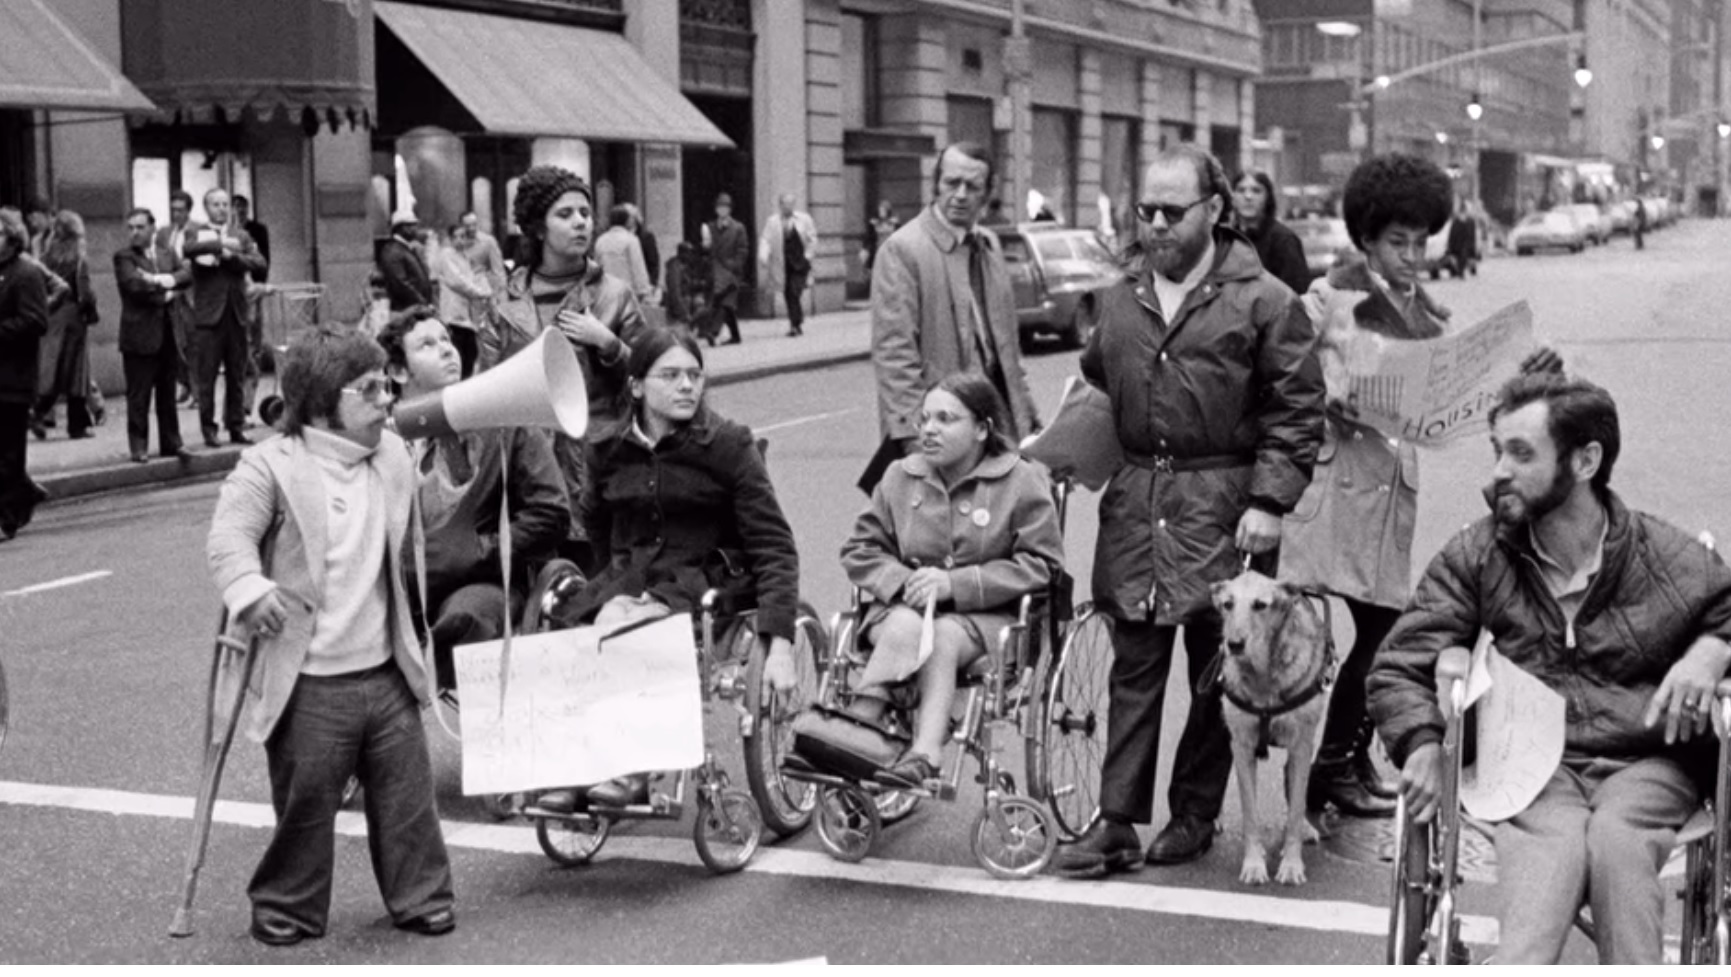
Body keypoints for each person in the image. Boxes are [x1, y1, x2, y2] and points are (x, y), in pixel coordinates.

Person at [1368, 371, 1731, 964]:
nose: (1499, 471)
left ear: (1585, 460)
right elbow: (1400, 663)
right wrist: (1421, 742)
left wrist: (1712, 650)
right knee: (1551, 856)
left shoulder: (1659, 554)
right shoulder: (1482, 553)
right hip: (1529, 765)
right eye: (1497, 451)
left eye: (1520, 453)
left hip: (1643, 761)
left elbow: (1724, 604)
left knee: (1618, 843)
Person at [1051, 143, 1325, 878]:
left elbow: (1296, 409)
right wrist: (1060, 451)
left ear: (1214, 210)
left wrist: (1269, 499)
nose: (1156, 224)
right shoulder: (1118, 297)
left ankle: (1195, 813)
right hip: (1138, 503)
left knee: (1218, 666)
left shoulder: (1265, 299)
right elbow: (1095, 386)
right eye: (1145, 210)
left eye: (1173, 211)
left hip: (1224, 505)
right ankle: (1115, 820)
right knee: (1133, 664)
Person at [206, 325, 456, 946]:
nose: (385, 397)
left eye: (385, 383)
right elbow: (229, 537)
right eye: (368, 388)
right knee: (305, 804)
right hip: (312, 679)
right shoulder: (270, 464)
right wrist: (250, 590)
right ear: (322, 403)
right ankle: (286, 906)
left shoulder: (391, 453)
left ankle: (422, 897)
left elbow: (436, 515)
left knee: (408, 800)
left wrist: (458, 460)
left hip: (384, 667)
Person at [537, 328, 799, 810]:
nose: (687, 386)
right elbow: (597, 519)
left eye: (695, 375)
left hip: (703, 582)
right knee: (571, 630)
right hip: (634, 577)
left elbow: (773, 543)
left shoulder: (727, 445)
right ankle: (574, 766)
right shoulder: (609, 450)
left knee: (618, 626)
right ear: (636, 386)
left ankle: (631, 769)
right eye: (671, 375)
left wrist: (779, 637)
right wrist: (611, 573)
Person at [1276, 153, 1460, 818]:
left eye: (1420, 242)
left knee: (1383, 631)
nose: (1412, 255)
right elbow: (1313, 387)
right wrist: (1361, 394)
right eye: (1396, 242)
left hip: (1385, 491)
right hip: (1336, 491)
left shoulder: (1418, 307)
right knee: (1387, 633)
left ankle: (1345, 760)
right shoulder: (1337, 300)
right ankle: (1330, 765)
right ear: (1366, 240)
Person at [838, 372, 1063, 787]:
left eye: (945, 419)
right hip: (902, 610)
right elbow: (859, 550)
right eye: (924, 419)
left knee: (940, 633)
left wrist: (955, 584)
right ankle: (864, 725)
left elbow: (1042, 565)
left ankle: (919, 749)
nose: (929, 429)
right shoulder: (898, 477)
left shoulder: (1020, 480)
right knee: (910, 621)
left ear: (982, 428)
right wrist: (905, 581)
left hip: (987, 618)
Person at [377, 307, 567, 691]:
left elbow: (551, 511)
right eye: (427, 345)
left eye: (447, 339)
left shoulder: (505, 420)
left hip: (484, 581)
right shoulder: (380, 440)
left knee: (469, 616)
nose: (448, 350)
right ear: (398, 372)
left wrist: (483, 549)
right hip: (399, 589)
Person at [478, 165, 647, 568]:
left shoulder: (615, 296)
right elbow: (484, 391)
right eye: (565, 214)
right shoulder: (503, 303)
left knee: (599, 588)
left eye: (585, 213)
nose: (580, 223)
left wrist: (608, 344)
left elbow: (651, 376)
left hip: (600, 469)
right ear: (538, 227)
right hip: (529, 482)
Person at [869, 142, 1039, 469]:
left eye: (972, 187)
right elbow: (895, 356)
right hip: (938, 434)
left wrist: (1029, 421)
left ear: (987, 194)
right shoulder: (902, 250)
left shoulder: (989, 246)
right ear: (935, 186)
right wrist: (915, 442)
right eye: (951, 183)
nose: (960, 195)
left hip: (993, 426)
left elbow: (1007, 352)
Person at [184, 188, 267, 447]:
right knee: (207, 376)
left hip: (236, 314)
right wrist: (220, 245)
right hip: (209, 316)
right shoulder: (196, 232)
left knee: (237, 373)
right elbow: (189, 249)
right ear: (206, 208)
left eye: (224, 204)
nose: (221, 209)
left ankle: (236, 425)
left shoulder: (240, 235)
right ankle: (209, 429)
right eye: (215, 204)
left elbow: (259, 263)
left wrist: (232, 257)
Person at [114, 207, 191, 463]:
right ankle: (139, 446)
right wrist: (168, 292)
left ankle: (172, 442)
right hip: (138, 336)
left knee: (167, 394)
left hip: (167, 335)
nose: (134, 232)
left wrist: (159, 279)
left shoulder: (165, 254)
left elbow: (187, 275)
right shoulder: (124, 257)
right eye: (131, 228)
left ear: (152, 228)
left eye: (140, 227)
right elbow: (134, 286)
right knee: (139, 395)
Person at [0, 209, 49, 541]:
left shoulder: (26, 273)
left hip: (13, 378)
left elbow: (35, 321)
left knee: (8, 452)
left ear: (11, 238)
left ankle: (7, 516)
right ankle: (24, 493)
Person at [30, 210, 99, 441]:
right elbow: (86, 293)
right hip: (72, 318)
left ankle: (39, 411)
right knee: (76, 373)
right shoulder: (78, 258)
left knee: (52, 368)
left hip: (51, 316)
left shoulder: (46, 256)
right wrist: (89, 310)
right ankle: (75, 424)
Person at [1231, 170, 1309, 295]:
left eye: (1256, 191)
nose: (1248, 196)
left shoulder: (1284, 241)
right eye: (1241, 190)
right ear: (1233, 197)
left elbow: (1296, 292)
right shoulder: (1225, 239)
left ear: (1267, 197)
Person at [428, 224, 491, 377]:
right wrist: (481, 293)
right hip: (454, 314)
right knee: (462, 353)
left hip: (467, 314)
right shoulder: (446, 255)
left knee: (470, 354)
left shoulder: (463, 256)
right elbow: (457, 281)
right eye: (456, 237)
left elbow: (471, 277)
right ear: (450, 239)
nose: (460, 240)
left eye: (463, 236)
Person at [758, 193, 817, 338]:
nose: (788, 206)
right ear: (780, 205)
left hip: (800, 263)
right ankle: (795, 324)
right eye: (785, 204)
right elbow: (766, 239)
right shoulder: (772, 222)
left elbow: (812, 239)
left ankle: (796, 321)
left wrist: (808, 256)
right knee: (788, 293)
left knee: (795, 292)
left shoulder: (804, 219)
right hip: (783, 264)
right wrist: (763, 256)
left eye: (791, 203)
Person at [159, 190, 197, 406]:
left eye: (180, 210)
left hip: (191, 293)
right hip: (172, 292)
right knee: (176, 342)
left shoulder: (197, 230)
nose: (176, 214)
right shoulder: (164, 233)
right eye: (173, 210)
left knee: (192, 343)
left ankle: (197, 392)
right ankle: (185, 383)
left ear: (188, 211)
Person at [702, 192, 749, 346]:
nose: (722, 210)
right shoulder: (710, 227)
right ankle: (735, 336)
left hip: (732, 273)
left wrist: (735, 265)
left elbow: (743, 250)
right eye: (719, 207)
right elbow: (706, 250)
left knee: (725, 303)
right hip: (716, 272)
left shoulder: (738, 228)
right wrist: (706, 247)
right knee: (726, 305)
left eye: (725, 207)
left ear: (730, 210)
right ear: (715, 209)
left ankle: (713, 332)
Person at [594, 204, 653, 303]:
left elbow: (596, 268)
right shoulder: (631, 240)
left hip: (606, 293)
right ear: (626, 221)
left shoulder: (601, 241)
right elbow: (637, 266)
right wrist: (643, 290)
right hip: (627, 293)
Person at [379, 212, 434, 312]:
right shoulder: (393, 251)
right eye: (413, 225)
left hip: (417, 309)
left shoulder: (406, 248)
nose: (416, 228)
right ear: (404, 228)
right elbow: (400, 283)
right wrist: (421, 303)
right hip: (407, 312)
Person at [459, 211, 507, 297]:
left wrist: (500, 296)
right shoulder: (457, 245)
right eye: (467, 226)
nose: (471, 228)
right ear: (461, 226)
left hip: (483, 292)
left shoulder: (488, 241)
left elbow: (498, 272)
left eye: (474, 224)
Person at [233, 194, 271, 284]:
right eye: (237, 206)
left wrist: (262, 275)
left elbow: (264, 254)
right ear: (231, 210)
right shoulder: (228, 229)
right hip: (234, 276)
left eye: (244, 206)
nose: (241, 210)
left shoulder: (259, 229)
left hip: (254, 274)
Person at [863, 200, 898, 272]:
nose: (881, 212)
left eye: (883, 210)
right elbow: (869, 237)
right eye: (880, 210)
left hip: (890, 248)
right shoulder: (874, 223)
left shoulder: (893, 222)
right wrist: (865, 249)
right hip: (878, 247)